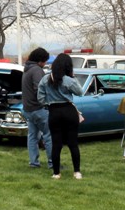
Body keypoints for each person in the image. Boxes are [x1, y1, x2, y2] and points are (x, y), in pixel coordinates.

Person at [37, 52, 84, 180]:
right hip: (69, 110)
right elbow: (80, 92)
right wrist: (73, 78)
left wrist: (49, 103)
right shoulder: (68, 80)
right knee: (73, 143)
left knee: (56, 143)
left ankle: (56, 173)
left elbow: (40, 98)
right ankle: (77, 172)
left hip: (54, 112)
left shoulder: (45, 79)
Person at [22, 47, 53, 169]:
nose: (45, 64)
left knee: (32, 137)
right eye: (45, 61)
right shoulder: (36, 70)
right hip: (39, 109)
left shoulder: (26, 70)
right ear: (40, 60)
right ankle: (53, 163)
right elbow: (39, 89)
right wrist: (47, 101)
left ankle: (34, 162)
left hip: (28, 109)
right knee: (49, 136)